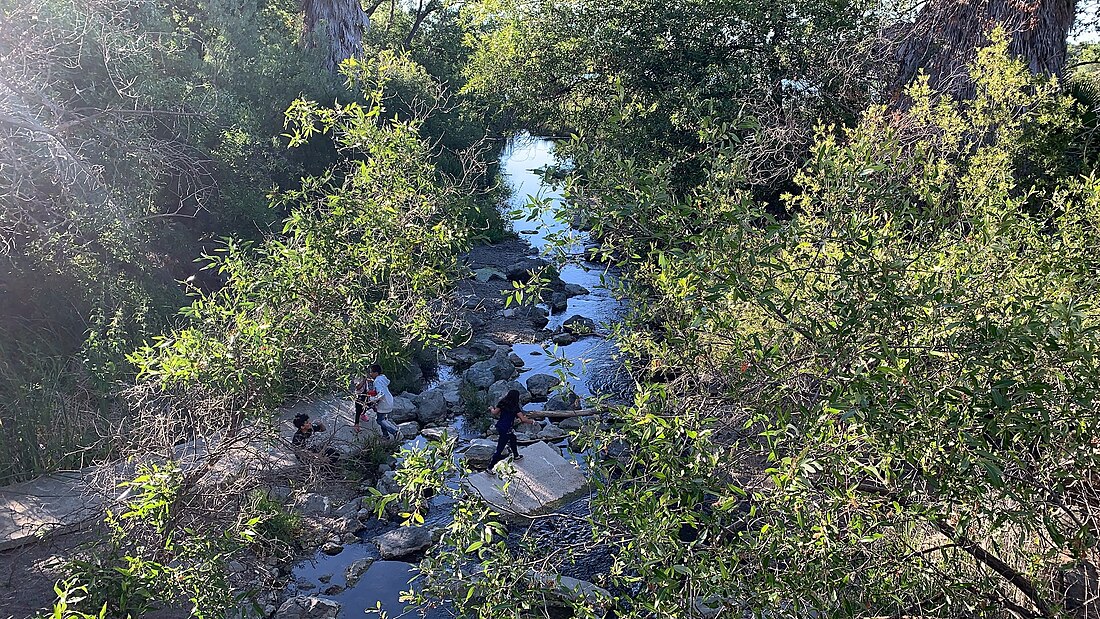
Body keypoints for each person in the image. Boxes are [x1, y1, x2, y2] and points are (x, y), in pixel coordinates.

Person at [487, 389, 533, 473]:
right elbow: (523, 419)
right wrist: (532, 422)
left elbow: (494, 413)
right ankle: (489, 467)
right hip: (506, 429)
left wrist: (491, 408)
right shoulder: (515, 407)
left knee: (513, 438)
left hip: (500, 426)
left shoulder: (502, 402)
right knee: (500, 449)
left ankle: (516, 456)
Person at [368, 363, 400, 440]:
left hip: (384, 403)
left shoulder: (377, 382)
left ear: (376, 373)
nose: (370, 374)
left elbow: (381, 394)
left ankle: (394, 431)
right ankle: (385, 436)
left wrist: (373, 400)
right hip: (389, 401)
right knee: (382, 419)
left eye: (371, 372)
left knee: (379, 420)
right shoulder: (382, 378)